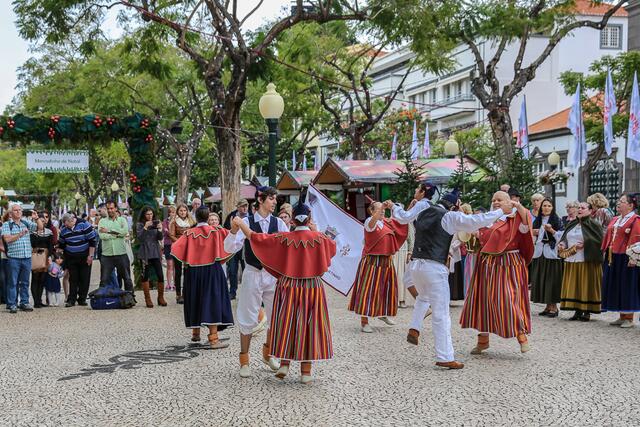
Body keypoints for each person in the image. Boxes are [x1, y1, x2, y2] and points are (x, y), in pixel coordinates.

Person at [389, 187, 513, 370]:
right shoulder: (449, 217)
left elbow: (402, 216)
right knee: (441, 314)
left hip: (416, 265)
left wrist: (395, 206)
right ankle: (445, 356)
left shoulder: (423, 211)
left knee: (423, 297)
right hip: (434, 267)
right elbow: (476, 221)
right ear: (454, 205)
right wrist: (501, 211)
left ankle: (415, 327)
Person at [232, 199, 336, 384]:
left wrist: (241, 224)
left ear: (292, 220)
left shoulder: (284, 238)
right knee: (308, 327)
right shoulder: (320, 238)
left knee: (287, 323)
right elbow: (332, 248)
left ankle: (284, 364)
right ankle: (305, 372)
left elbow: (257, 238)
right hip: (312, 288)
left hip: (289, 286)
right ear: (309, 219)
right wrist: (315, 230)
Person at [223, 186, 289, 378]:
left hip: (273, 276)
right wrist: (233, 231)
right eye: (271, 198)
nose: (275, 202)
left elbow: (288, 248)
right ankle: (244, 360)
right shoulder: (246, 222)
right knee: (247, 316)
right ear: (260, 200)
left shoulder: (279, 223)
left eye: (275, 198)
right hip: (252, 272)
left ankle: (268, 354)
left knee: (276, 316)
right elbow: (229, 247)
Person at [460, 191, 534, 354]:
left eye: (499, 199)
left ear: (509, 201)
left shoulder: (515, 218)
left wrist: (517, 206)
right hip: (487, 263)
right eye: (493, 200)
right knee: (483, 300)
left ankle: (521, 336)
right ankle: (483, 341)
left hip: (509, 263)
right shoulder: (488, 219)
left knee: (508, 299)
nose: (495, 202)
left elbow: (526, 222)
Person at [171, 206, 234, 349]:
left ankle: (195, 333)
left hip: (193, 272)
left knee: (195, 299)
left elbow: (175, 248)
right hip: (212, 270)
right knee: (212, 300)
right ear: (208, 217)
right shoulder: (216, 231)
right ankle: (213, 339)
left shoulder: (188, 233)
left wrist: (188, 259)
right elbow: (233, 241)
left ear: (196, 217)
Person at [349, 201, 408, 332]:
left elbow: (402, 221)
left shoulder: (386, 222)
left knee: (385, 289)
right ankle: (364, 322)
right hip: (372, 261)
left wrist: (411, 208)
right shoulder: (369, 222)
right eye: (379, 209)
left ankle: (382, 313)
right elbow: (372, 223)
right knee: (368, 290)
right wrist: (381, 208)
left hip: (386, 260)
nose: (382, 211)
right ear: (371, 211)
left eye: (383, 209)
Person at [558, 202, 604, 321]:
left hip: (587, 260)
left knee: (586, 284)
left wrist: (586, 243)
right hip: (572, 259)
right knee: (575, 285)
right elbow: (566, 236)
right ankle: (577, 310)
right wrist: (562, 243)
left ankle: (587, 311)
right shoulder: (572, 223)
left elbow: (600, 241)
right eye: (578, 207)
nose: (579, 209)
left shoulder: (594, 224)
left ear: (590, 211)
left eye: (583, 208)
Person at [601, 194, 640, 328]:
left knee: (627, 285)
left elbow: (636, 238)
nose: (619, 203)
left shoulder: (635, 220)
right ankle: (622, 315)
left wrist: (633, 258)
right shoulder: (616, 219)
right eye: (619, 200)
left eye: (622, 201)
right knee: (617, 285)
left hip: (626, 256)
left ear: (630, 205)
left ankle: (629, 317)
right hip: (613, 256)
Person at [530, 198, 564, 317]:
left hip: (551, 253)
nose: (546, 208)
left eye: (549, 206)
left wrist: (552, 230)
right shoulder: (537, 220)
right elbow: (532, 237)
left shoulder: (557, 220)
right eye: (544, 205)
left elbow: (562, 237)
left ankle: (554, 307)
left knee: (551, 280)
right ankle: (547, 306)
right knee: (542, 280)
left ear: (552, 208)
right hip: (539, 253)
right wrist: (533, 232)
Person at [2, 203, 37, 313]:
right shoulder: (7, 225)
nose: (18, 212)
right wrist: (19, 235)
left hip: (26, 258)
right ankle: (12, 304)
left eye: (20, 210)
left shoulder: (26, 222)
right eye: (16, 210)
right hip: (14, 258)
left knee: (25, 282)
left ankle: (24, 302)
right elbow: (7, 239)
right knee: (13, 282)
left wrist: (36, 218)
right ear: (10, 213)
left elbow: (39, 228)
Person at [59, 212, 96, 307]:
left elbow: (92, 241)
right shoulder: (64, 229)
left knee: (84, 278)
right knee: (73, 279)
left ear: (72, 220)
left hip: (85, 255)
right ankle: (72, 299)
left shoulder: (84, 224)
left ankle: (82, 299)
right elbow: (62, 243)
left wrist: (91, 256)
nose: (65, 226)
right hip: (71, 256)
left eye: (66, 224)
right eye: (64, 225)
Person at [98, 201, 135, 294]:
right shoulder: (102, 221)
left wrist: (108, 231)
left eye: (111, 208)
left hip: (121, 253)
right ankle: (103, 299)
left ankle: (130, 297)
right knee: (104, 280)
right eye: (108, 209)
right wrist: (117, 234)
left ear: (116, 209)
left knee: (127, 278)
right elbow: (102, 236)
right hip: (107, 255)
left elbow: (124, 232)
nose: (110, 210)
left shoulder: (122, 220)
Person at [136, 206, 166, 308]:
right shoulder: (140, 224)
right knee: (145, 275)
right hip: (145, 252)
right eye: (147, 214)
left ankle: (160, 298)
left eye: (151, 214)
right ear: (144, 215)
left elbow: (160, 238)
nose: (150, 216)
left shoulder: (156, 222)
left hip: (155, 252)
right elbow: (140, 238)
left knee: (160, 275)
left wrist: (160, 229)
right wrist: (145, 227)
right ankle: (148, 299)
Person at [223, 199, 249, 300]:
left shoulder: (251, 217)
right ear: (237, 207)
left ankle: (247, 293)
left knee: (246, 271)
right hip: (234, 246)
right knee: (232, 270)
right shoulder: (232, 216)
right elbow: (225, 229)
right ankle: (232, 292)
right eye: (242, 206)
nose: (245, 208)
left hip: (245, 248)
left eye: (246, 206)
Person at [170, 203, 195, 304]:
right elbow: (171, 235)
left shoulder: (192, 222)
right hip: (178, 248)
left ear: (187, 211)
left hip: (189, 248)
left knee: (187, 271)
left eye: (184, 210)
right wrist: (180, 243)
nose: (183, 212)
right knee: (178, 271)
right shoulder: (174, 222)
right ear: (178, 212)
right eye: (181, 210)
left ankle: (185, 293)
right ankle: (178, 294)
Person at [30, 216, 54, 308]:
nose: (42, 223)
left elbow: (51, 245)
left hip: (45, 256)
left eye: (44, 221)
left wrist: (49, 256)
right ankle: (36, 301)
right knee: (35, 278)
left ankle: (39, 300)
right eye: (40, 221)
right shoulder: (32, 232)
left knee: (42, 279)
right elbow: (32, 244)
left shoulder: (49, 232)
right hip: (35, 256)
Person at [162, 206, 177, 291]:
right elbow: (166, 232)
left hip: (176, 245)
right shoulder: (165, 221)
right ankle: (168, 284)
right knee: (169, 265)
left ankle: (175, 284)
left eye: (174, 212)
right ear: (169, 213)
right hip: (168, 245)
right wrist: (170, 233)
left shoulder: (177, 221)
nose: (172, 214)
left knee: (176, 266)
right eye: (171, 212)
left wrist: (170, 232)